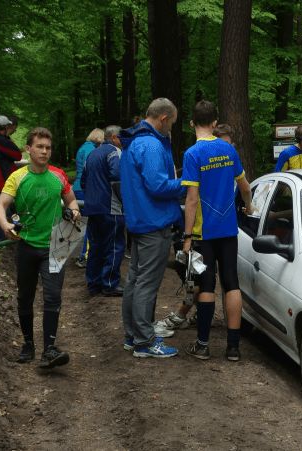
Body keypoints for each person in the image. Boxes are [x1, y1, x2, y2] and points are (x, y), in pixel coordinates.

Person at [0, 127, 81, 369]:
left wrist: (74, 212)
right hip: (27, 245)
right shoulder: (17, 177)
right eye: (40, 147)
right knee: (25, 297)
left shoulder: (58, 175)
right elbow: (0, 206)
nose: (44, 151)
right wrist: (5, 225)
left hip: (56, 244)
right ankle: (28, 344)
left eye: (48, 148)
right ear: (28, 149)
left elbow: (72, 201)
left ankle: (49, 349)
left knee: (53, 297)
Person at [181, 100, 253, 361]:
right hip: (228, 230)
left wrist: (187, 236)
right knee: (231, 283)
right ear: (214, 123)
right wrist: (249, 206)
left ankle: (203, 345)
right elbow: (245, 187)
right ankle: (233, 348)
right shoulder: (228, 149)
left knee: (207, 285)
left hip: (204, 232)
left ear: (192, 123)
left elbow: (191, 200)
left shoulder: (192, 154)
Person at [154, 123, 237, 331]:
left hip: (222, 233)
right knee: (196, 279)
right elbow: (191, 198)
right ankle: (191, 315)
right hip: (200, 231)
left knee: (206, 282)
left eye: (228, 144)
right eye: (221, 143)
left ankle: (183, 316)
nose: (222, 149)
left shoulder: (231, 168)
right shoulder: (205, 160)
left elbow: (243, 194)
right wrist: (188, 236)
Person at [118, 98, 184, 358]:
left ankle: (132, 336)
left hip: (139, 221)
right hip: (153, 223)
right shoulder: (151, 145)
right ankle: (144, 342)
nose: (171, 129)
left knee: (135, 280)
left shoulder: (134, 142)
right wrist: (187, 183)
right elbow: (158, 186)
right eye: (172, 123)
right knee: (146, 283)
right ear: (163, 119)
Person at [81, 125, 126, 296]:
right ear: (113, 137)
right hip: (111, 207)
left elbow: (83, 181)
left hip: (92, 208)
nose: (123, 141)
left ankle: (93, 283)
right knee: (114, 246)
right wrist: (124, 202)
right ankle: (110, 284)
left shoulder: (92, 154)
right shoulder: (115, 152)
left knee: (95, 247)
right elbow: (117, 177)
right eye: (121, 137)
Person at [72, 128, 105, 268]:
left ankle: (83, 254)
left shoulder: (84, 147)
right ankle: (84, 256)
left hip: (77, 187)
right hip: (85, 188)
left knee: (85, 223)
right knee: (91, 223)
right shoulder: (91, 149)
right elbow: (91, 170)